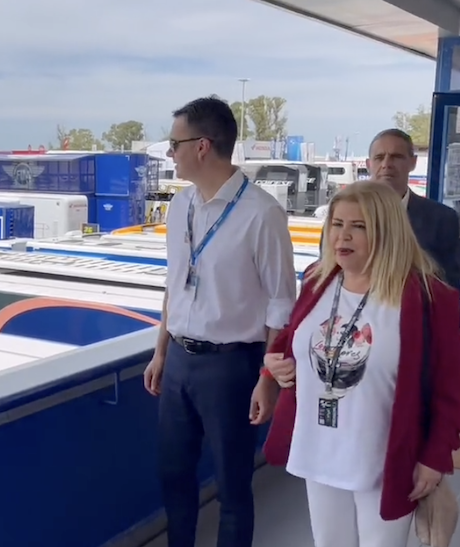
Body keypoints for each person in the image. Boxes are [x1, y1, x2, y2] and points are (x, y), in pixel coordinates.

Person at [251, 181, 460, 547]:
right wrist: (272, 369)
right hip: (319, 448)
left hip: (383, 459)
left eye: (359, 226)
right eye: (337, 224)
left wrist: (435, 456)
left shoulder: (429, 298)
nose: (343, 236)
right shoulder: (317, 280)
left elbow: (451, 388)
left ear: (387, 232)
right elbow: (295, 338)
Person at [143, 95, 297, 547]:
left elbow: (281, 304)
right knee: (174, 475)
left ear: (202, 146)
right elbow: (174, 284)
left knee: (232, 486)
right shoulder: (180, 206)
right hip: (179, 363)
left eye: (175, 144)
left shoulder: (261, 214)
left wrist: (268, 378)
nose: (170, 153)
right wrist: (160, 352)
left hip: (232, 366)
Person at [321, 129, 460, 290]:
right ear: (368, 164)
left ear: (413, 162)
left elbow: (449, 284)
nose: (386, 164)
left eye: (396, 157)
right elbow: (326, 270)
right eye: (379, 157)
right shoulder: (341, 215)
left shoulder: (441, 219)